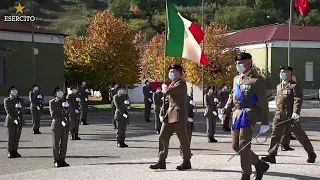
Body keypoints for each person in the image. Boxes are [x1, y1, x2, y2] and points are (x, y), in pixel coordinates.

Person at [223, 53, 270, 180]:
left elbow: (263, 103)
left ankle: (246, 174)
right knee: (235, 145)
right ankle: (259, 165)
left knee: (244, 145)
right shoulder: (236, 78)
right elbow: (233, 94)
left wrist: (265, 122)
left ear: (249, 63)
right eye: (237, 63)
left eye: (241, 63)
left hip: (249, 114)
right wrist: (226, 107)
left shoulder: (256, 80)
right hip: (236, 114)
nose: (238, 66)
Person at [261, 66, 317, 164]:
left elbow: (297, 100)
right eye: (282, 72)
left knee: (300, 135)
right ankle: (271, 155)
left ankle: (311, 153)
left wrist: (296, 113)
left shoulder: (294, 86)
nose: (283, 74)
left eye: (285, 72)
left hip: (290, 115)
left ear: (290, 74)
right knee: (275, 135)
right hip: (279, 114)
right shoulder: (279, 86)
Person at [149, 64, 191, 170]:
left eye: (173, 71)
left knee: (183, 139)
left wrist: (164, 88)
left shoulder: (181, 83)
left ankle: (186, 161)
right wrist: (162, 113)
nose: (170, 73)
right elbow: (167, 101)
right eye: (170, 71)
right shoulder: (173, 83)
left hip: (179, 114)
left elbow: (168, 92)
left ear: (179, 73)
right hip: (170, 114)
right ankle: (161, 160)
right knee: (162, 136)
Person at [49, 87, 70, 168]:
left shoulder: (66, 101)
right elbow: (53, 114)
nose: (60, 93)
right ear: (55, 94)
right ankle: (56, 160)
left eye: (61, 92)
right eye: (58, 92)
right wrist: (61, 120)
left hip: (65, 125)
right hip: (57, 125)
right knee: (56, 144)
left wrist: (67, 107)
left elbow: (69, 112)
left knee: (64, 143)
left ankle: (62, 159)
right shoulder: (52, 102)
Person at [4, 86, 24, 158]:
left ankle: (15, 150)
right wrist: (13, 119)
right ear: (10, 92)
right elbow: (8, 111)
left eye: (16, 90)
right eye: (13, 90)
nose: (15, 92)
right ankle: (10, 151)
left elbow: (23, 109)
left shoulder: (20, 100)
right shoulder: (7, 100)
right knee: (11, 136)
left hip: (19, 120)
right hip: (11, 121)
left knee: (17, 136)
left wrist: (21, 107)